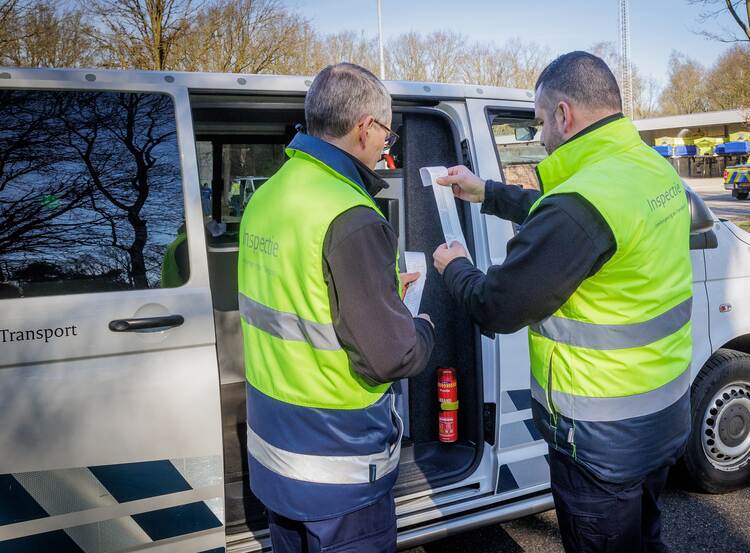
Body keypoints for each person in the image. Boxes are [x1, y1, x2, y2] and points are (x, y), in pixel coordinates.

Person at [432, 51, 693, 552]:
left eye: (538, 124)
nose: (541, 137)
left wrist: (455, 267)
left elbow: (497, 306)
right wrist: (485, 191)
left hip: (600, 440)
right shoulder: (646, 169)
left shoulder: (583, 202)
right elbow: (565, 220)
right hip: (660, 418)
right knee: (646, 540)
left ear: (563, 114)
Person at [238, 62, 434, 552]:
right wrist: (421, 324)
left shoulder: (267, 196)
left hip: (276, 456)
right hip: (338, 469)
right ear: (365, 127)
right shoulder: (350, 214)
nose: (385, 145)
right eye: (386, 134)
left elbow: (303, 296)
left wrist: (381, 291)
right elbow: (392, 355)